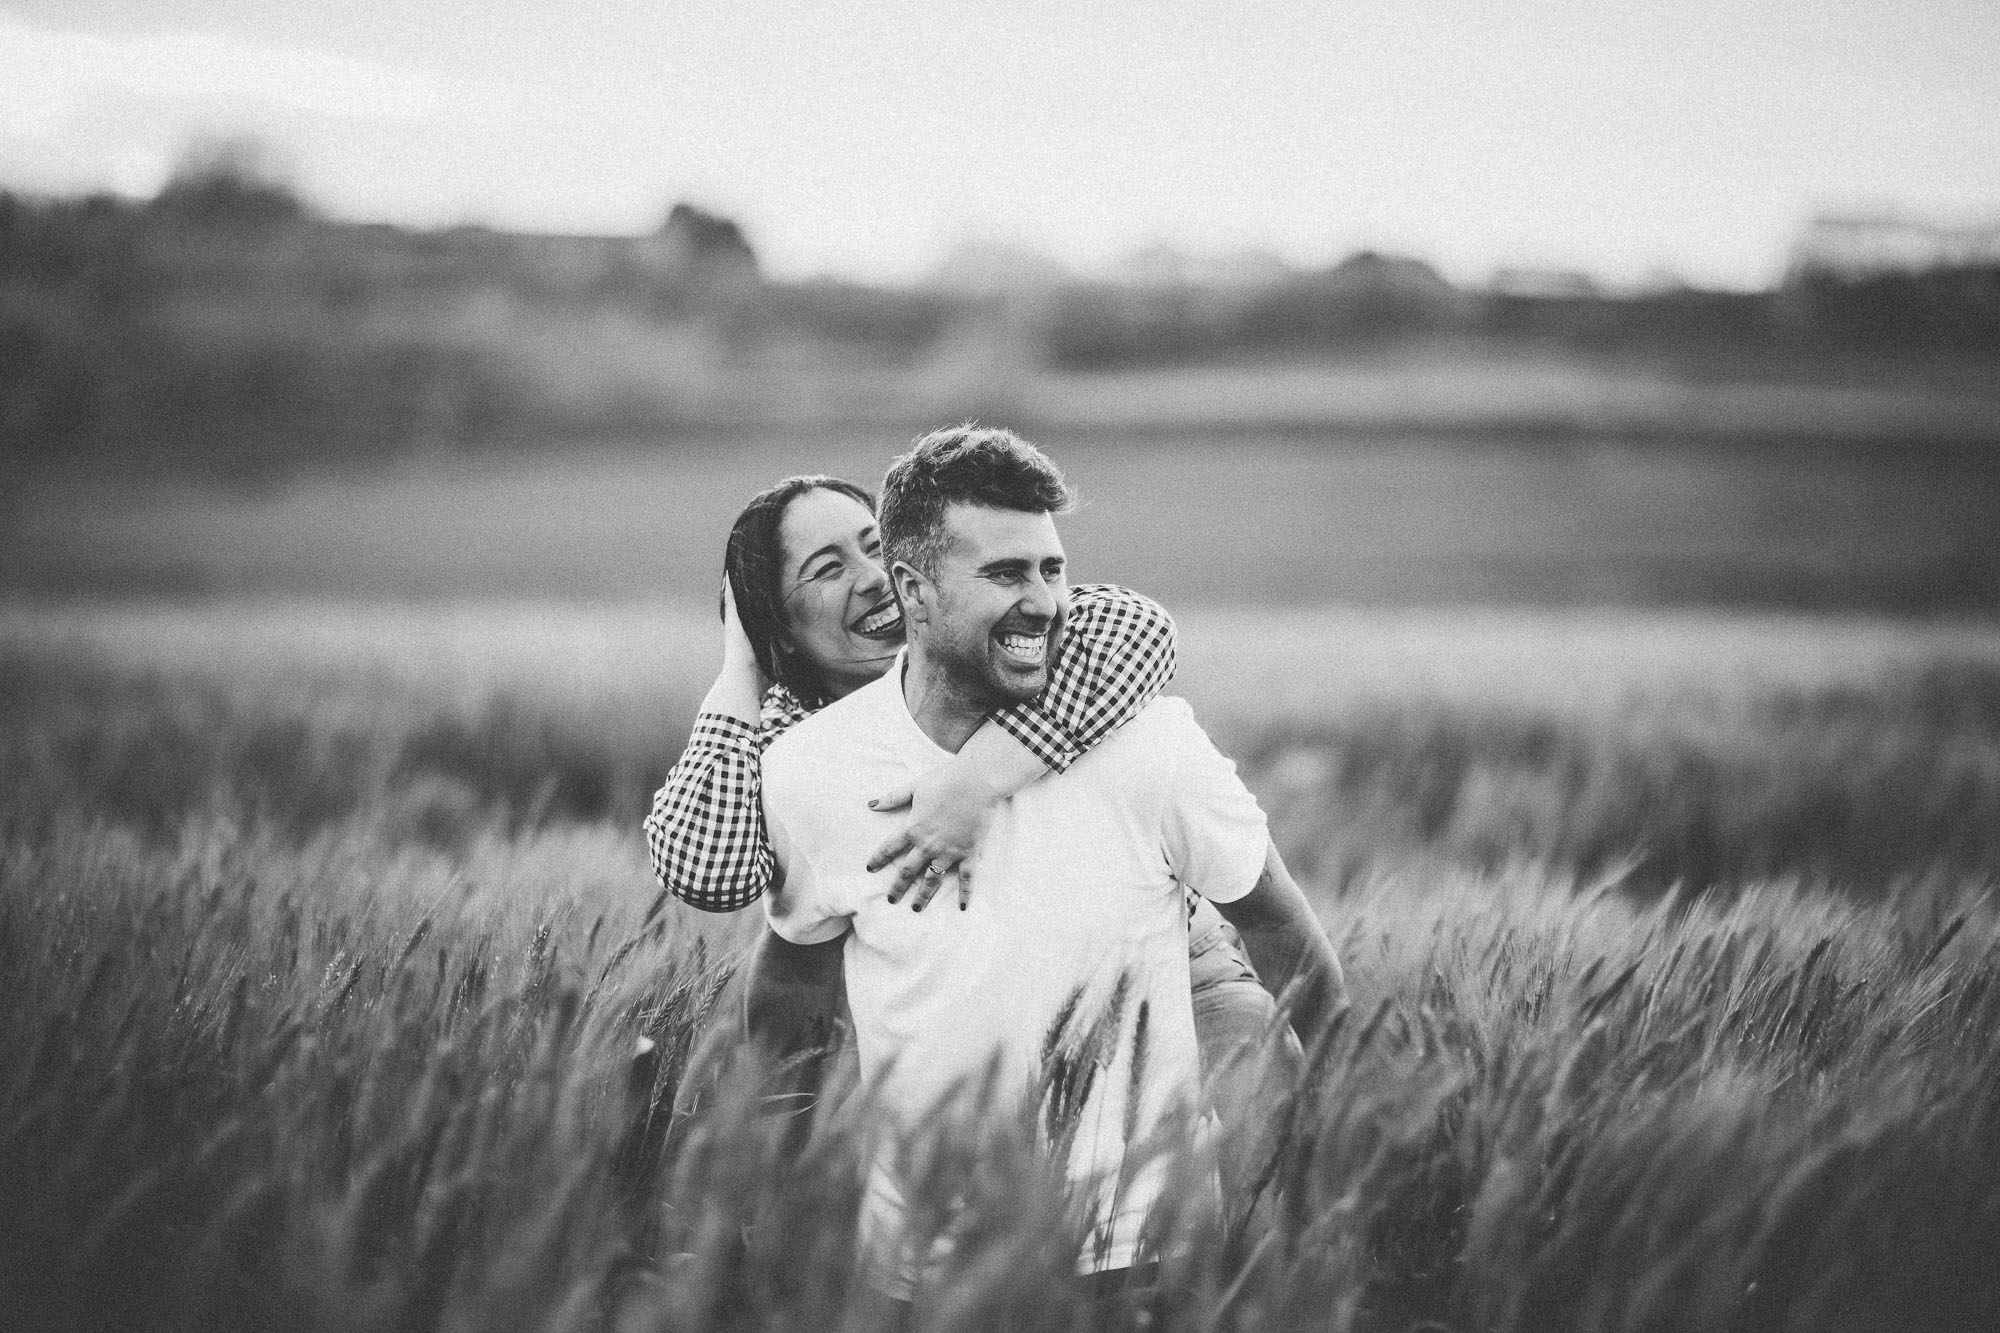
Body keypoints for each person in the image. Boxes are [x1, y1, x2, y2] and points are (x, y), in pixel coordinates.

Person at [748, 426, 1345, 1304]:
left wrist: (1349, 1104)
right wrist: (762, 1174)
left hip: (1143, 1258)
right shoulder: (808, 769)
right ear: (912, 590)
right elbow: (791, 983)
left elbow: (1277, 922)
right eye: (1004, 574)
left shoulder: (1151, 745)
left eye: (1051, 569)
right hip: (924, 1270)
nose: (1045, 601)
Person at [640, 471, 1292, 1179]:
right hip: (940, 987)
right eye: (829, 569)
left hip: (1161, 969)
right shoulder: (799, 733)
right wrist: (740, 666)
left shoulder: (999, 649)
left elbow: (1140, 626)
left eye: (876, 548)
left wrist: (976, 778)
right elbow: (709, 869)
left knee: (1235, 1150)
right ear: (784, 634)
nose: (872, 580)